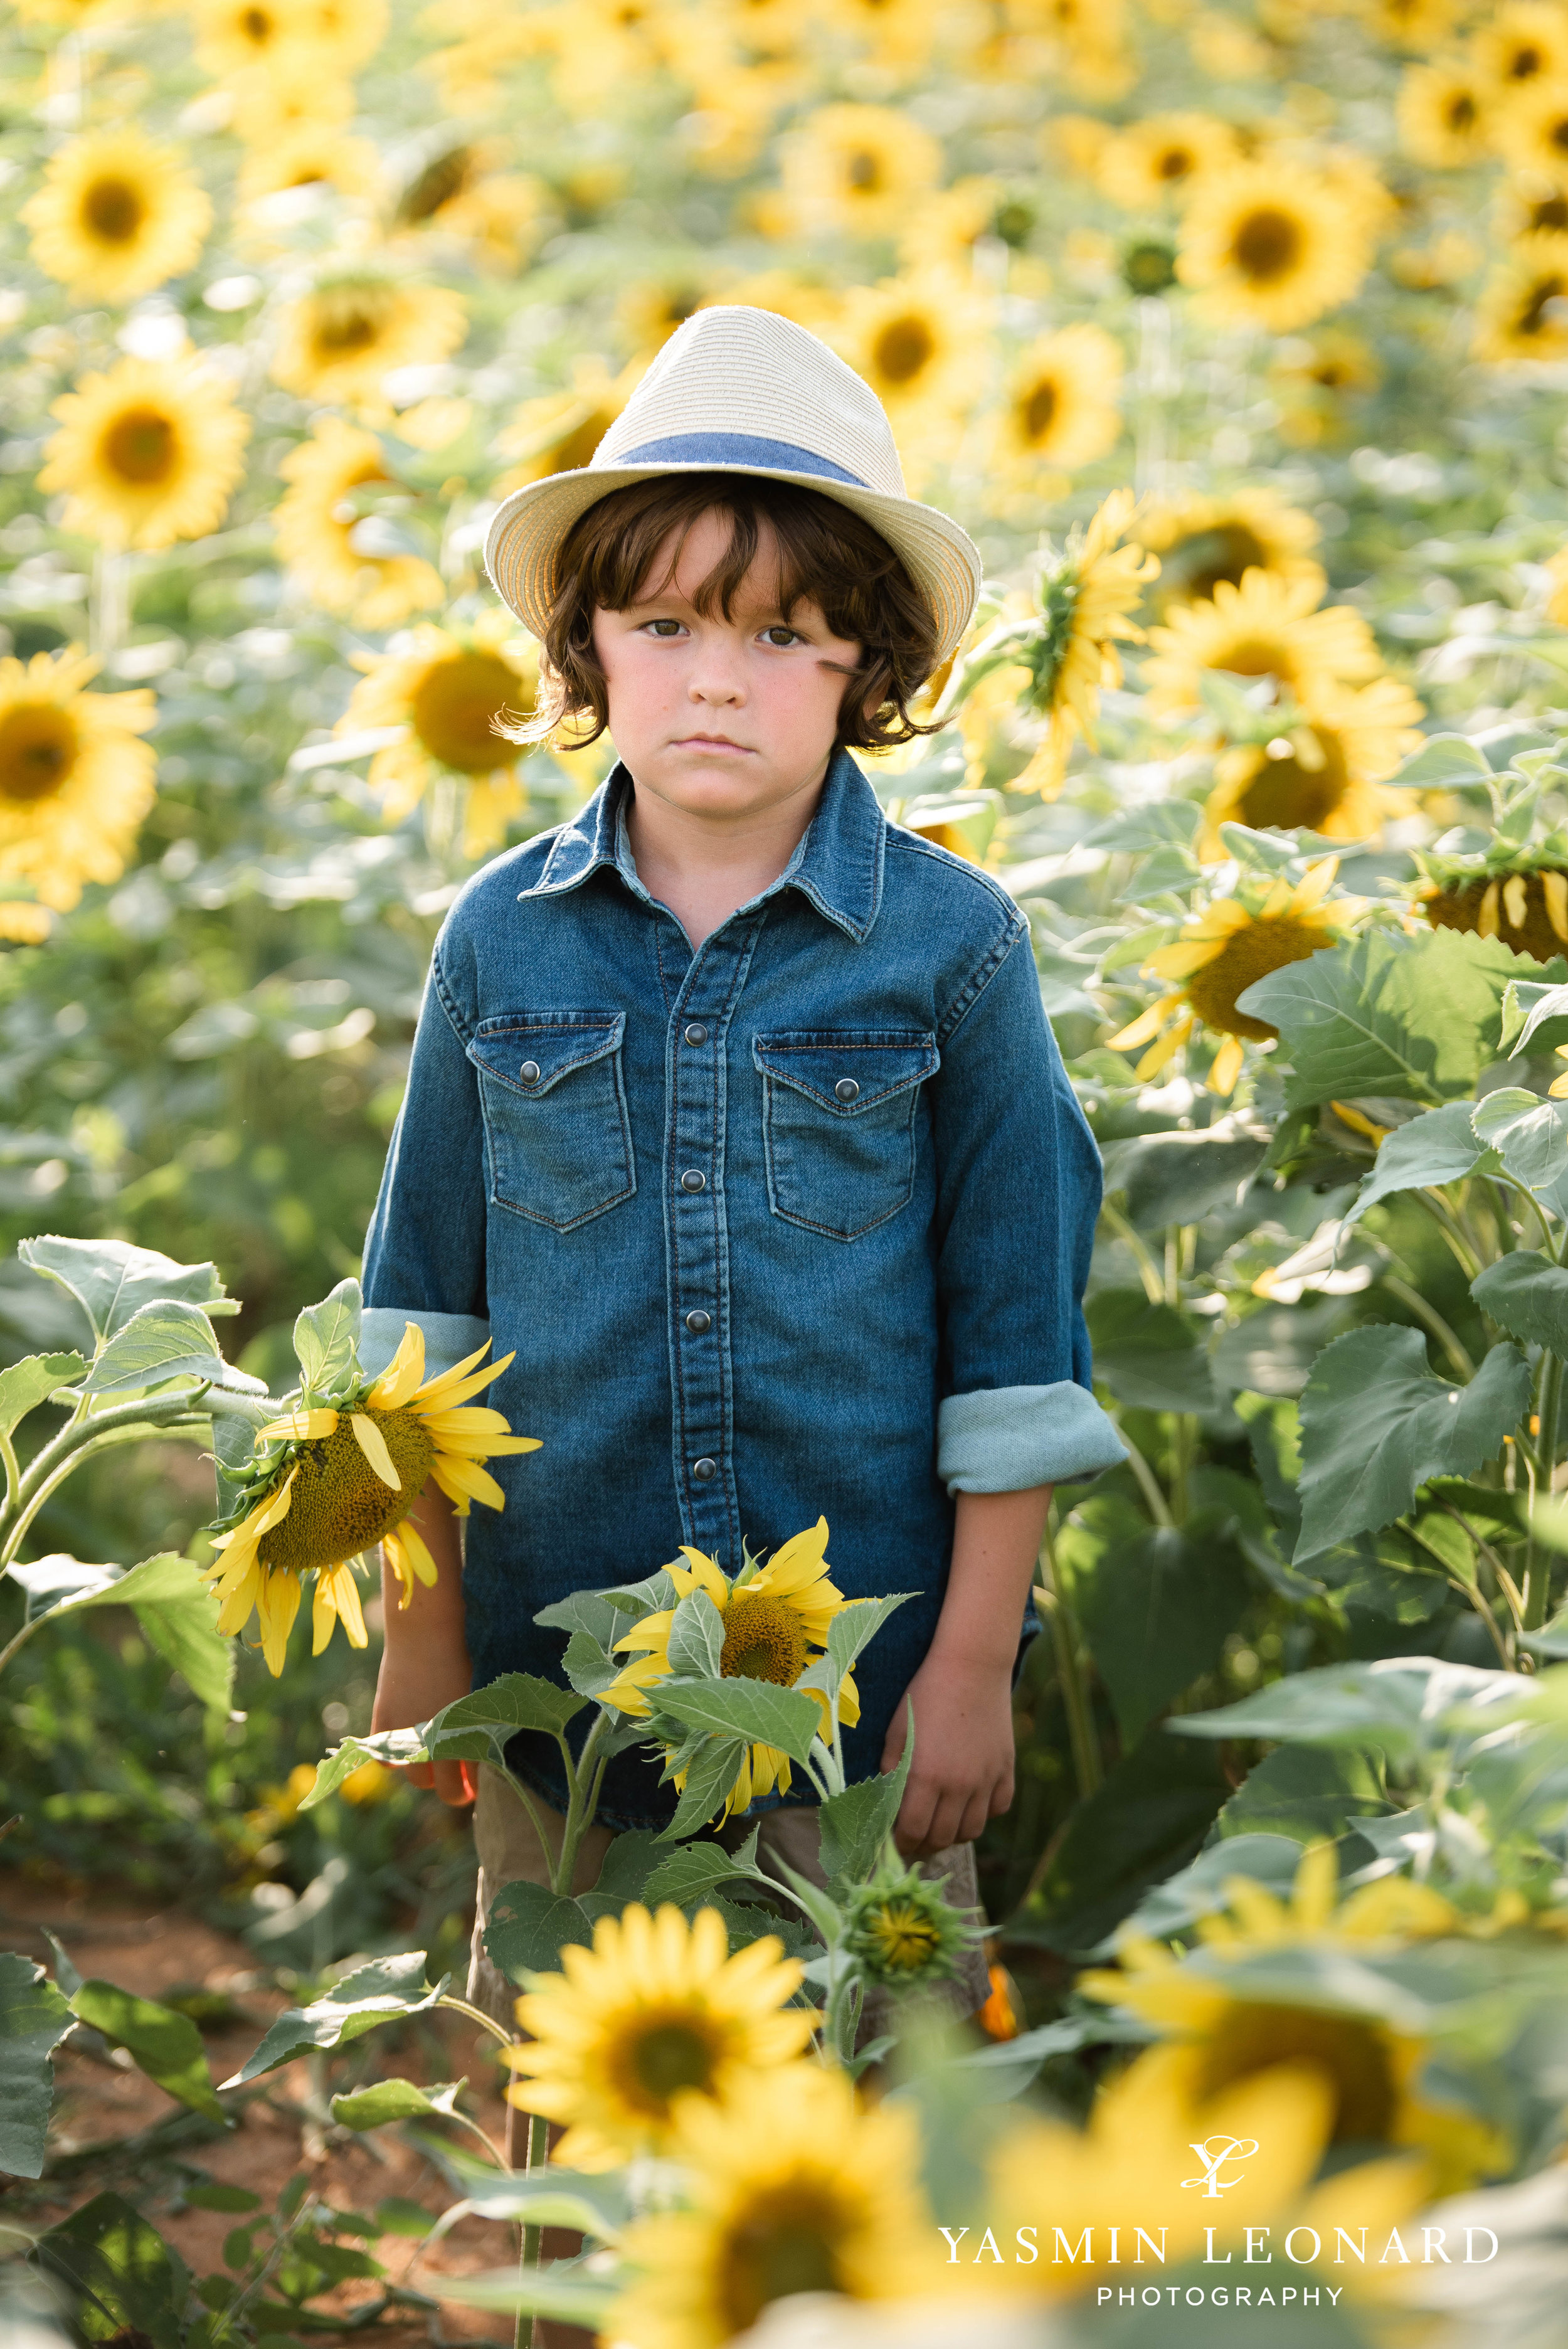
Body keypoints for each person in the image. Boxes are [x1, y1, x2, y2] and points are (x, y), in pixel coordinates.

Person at [359, 304, 1125, 2036]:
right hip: (569, 1687)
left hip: (855, 1703)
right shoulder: (501, 942)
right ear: (587, 650)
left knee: (884, 2089)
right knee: (587, 2115)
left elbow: (1016, 1347)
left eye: (783, 633)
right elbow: (417, 1319)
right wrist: (423, 1625)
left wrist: (970, 1665)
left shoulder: (949, 951)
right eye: (665, 622)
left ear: (869, 671)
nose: (717, 674)